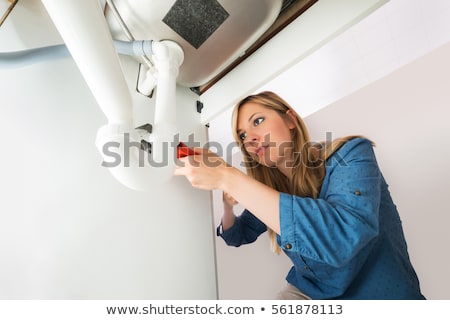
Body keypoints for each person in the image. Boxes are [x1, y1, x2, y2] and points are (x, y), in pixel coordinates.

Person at [174, 91, 425, 300]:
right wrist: (227, 201)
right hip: (310, 293)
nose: (249, 138)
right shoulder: (273, 191)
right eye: (241, 136)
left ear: (290, 120)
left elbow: (342, 239)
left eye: (258, 121)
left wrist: (229, 177)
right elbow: (238, 235)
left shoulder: (350, 154)